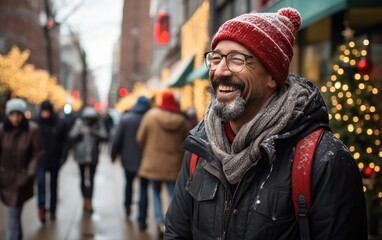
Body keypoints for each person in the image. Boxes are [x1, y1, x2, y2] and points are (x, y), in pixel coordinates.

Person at [164, 7, 368, 240]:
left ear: (272, 75)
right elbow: (177, 232)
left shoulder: (323, 159)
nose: (220, 70)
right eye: (216, 58)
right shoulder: (200, 147)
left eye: (237, 60)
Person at [137, 90, 189, 237]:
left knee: (155, 192)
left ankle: (159, 221)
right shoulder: (181, 120)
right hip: (173, 165)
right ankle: (170, 222)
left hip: (153, 164)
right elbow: (187, 142)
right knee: (173, 194)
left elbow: (140, 138)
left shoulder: (150, 116)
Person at [0, 98, 43, 240]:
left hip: (22, 180)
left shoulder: (32, 130)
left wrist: (30, 172)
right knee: (14, 216)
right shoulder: (2, 131)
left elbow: (37, 153)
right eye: (12, 114)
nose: (15, 118)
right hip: (5, 179)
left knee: (14, 215)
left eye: (18, 114)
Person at [110, 96, 151, 230]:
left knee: (128, 184)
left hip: (128, 159)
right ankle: (142, 218)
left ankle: (127, 207)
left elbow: (117, 139)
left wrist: (113, 154)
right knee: (144, 189)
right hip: (145, 160)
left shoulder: (126, 118)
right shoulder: (149, 119)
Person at [69, 106, 108, 213]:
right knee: (82, 179)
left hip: (93, 156)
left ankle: (89, 201)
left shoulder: (98, 124)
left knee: (91, 180)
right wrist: (80, 133)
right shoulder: (79, 123)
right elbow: (71, 135)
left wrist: (93, 132)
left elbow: (105, 136)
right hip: (81, 156)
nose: (88, 120)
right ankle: (84, 200)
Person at [34, 100, 65, 223]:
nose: (45, 114)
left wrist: (63, 157)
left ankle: (52, 210)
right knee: (41, 183)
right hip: (41, 160)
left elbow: (64, 142)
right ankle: (42, 207)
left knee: (53, 185)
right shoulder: (36, 123)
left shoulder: (58, 123)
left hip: (54, 160)